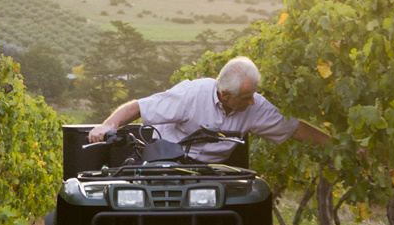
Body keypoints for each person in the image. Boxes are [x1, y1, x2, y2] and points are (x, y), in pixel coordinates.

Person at [87, 56, 329, 163]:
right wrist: (109, 125)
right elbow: (138, 107)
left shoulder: (254, 105)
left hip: (215, 173)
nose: (252, 102)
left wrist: (335, 144)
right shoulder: (191, 95)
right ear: (225, 95)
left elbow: (294, 128)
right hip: (169, 163)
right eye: (246, 97)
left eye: (254, 95)